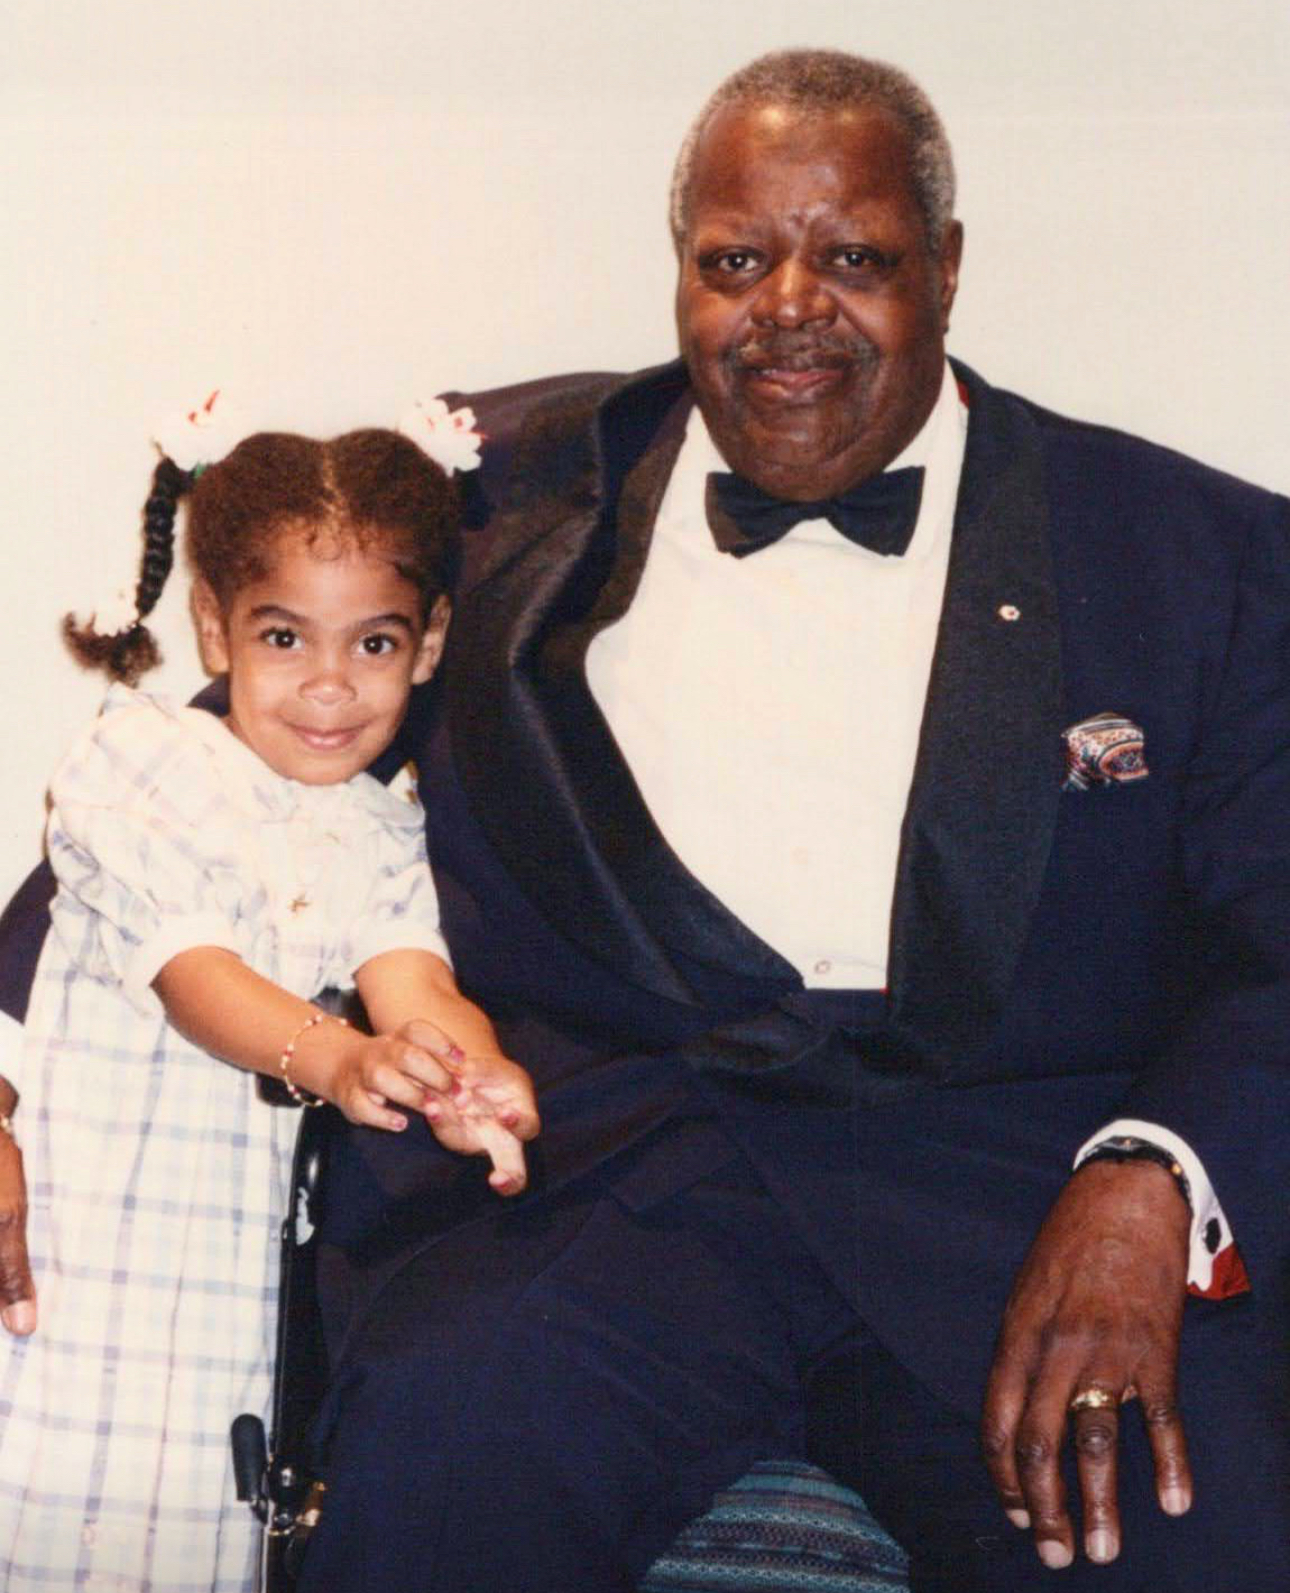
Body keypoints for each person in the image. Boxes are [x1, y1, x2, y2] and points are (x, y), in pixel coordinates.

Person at [2, 45, 1288, 1593]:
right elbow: (214, 768)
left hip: (1009, 1191)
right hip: (597, 1180)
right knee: (432, 1465)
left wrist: (1151, 1176)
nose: (789, 305)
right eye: (735, 259)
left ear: (946, 270)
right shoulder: (499, 490)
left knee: (1186, 1539)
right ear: (680, 269)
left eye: (856, 258)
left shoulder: (1188, 556)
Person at [0, 405, 539, 1591]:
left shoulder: (383, 830)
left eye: (377, 645)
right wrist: (339, 1060)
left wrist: (471, 1075)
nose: (331, 688)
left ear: (433, 642)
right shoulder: (142, 766)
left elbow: (417, 979)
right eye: (286, 638)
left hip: (213, 1305)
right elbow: (196, 979)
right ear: (214, 628)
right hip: (74, 1251)